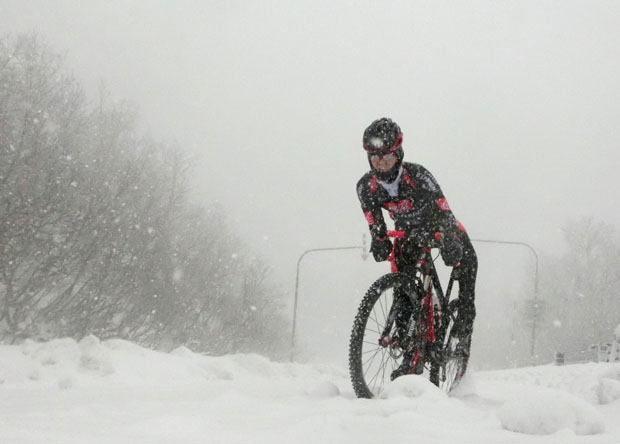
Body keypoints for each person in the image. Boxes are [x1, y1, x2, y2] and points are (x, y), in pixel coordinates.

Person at [355, 117, 478, 380]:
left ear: (398, 153)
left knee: (467, 259)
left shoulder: (419, 176)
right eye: (373, 157)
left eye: (386, 156)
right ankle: (412, 356)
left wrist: (448, 240)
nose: (380, 163)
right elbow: (373, 221)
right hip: (409, 235)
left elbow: (445, 210)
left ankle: (465, 318)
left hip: (440, 227)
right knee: (404, 292)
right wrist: (378, 239)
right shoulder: (366, 187)